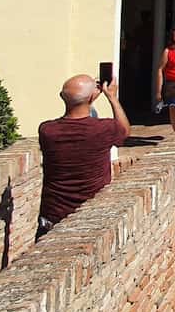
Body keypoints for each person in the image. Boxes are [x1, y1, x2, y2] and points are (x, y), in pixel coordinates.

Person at [37, 74, 131, 238]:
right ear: (92, 97)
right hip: (90, 214)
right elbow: (124, 132)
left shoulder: (47, 131)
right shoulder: (103, 129)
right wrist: (112, 98)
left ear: (62, 97)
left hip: (53, 216)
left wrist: (88, 98)